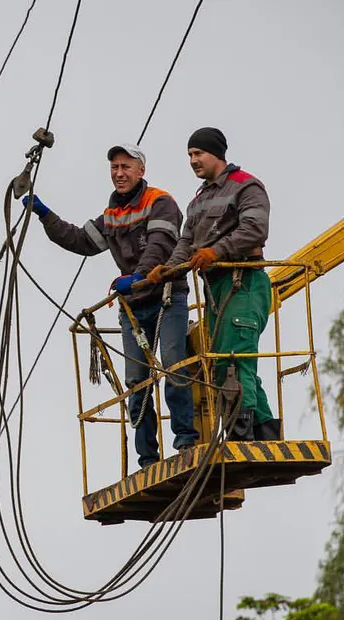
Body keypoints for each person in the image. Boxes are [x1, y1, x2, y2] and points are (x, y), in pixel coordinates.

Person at [22, 143, 199, 468]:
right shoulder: (112, 215)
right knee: (137, 381)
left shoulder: (160, 202)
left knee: (173, 365)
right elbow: (80, 240)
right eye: (115, 168)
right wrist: (44, 214)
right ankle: (148, 459)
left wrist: (138, 277)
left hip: (166, 298)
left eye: (125, 167)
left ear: (140, 171)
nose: (119, 173)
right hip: (133, 308)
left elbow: (160, 246)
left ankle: (186, 443)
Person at [148, 127, 280, 442]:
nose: (193, 160)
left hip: (243, 281)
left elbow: (255, 229)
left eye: (198, 154)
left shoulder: (246, 186)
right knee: (227, 359)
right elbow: (187, 241)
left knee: (234, 360)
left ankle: (240, 436)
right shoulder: (198, 200)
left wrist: (216, 251)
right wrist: (168, 270)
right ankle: (266, 434)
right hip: (215, 288)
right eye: (190, 155)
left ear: (217, 153)